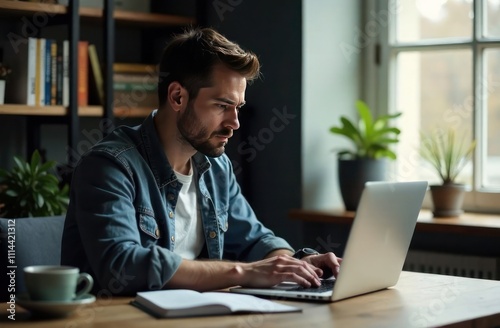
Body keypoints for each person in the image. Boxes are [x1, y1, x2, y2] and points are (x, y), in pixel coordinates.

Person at [61, 27, 341, 295]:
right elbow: (122, 266)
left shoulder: (216, 167)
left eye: (238, 107)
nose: (235, 123)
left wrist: (294, 264)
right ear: (178, 97)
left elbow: (255, 241)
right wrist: (242, 273)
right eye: (222, 106)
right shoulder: (110, 166)